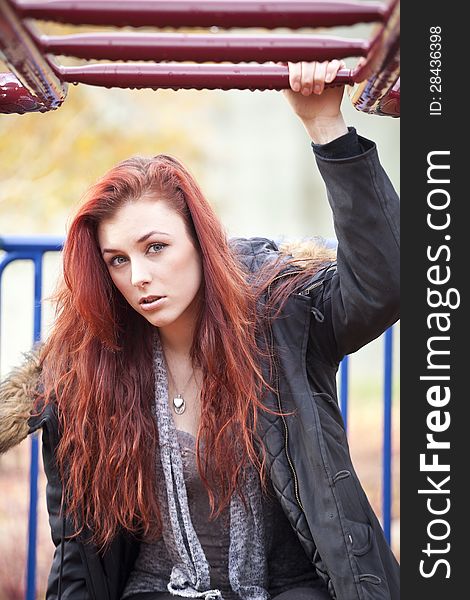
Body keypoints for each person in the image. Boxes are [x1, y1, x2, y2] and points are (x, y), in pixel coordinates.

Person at [0, 60, 400, 600]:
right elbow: (78, 548)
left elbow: (387, 284)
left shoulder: (284, 318)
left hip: (287, 588)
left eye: (155, 248)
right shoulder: (86, 369)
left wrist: (326, 128)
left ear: (201, 242)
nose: (138, 277)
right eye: (117, 260)